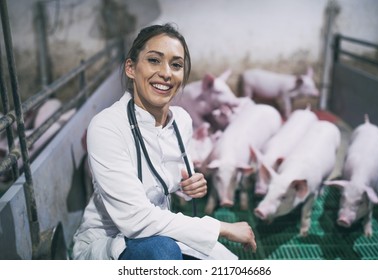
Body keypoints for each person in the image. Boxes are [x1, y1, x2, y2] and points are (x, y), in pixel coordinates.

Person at [72, 23, 256, 260]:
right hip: (112, 240)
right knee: (161, 253)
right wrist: (221, 227)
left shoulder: (182, 121)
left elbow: (169, 179)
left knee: (229, 263)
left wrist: (188, 187)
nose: (167, 73)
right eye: (154, 60)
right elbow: (135, 219)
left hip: (161, 230)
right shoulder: (106, 126)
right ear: (131, 68)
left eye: (176, 64)